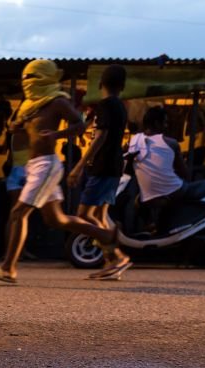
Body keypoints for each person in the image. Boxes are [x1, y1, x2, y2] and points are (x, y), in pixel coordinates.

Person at [0, 59, 123, 285]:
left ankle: (8, 268)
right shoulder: (31, 104)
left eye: (32, 77)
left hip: (47, 165)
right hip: (34, 166)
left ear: (45, 78)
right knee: (57, 220)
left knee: (19, 213)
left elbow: (80, 124)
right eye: (25, 78)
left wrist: (57, 136)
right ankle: (107, 237)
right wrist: (17, 127)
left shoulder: (57, 101)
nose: (27, 82)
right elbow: (25, 132)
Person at [67, 65, 132, 279]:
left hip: (103, 166)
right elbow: (83, 128)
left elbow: (100, 137)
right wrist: (56, 134)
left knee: (84, 215)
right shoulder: (118, 106)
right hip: (113, 166)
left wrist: (78, 166)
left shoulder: (105, 105)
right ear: (122, 86)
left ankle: (117, 257)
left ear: (99, 84)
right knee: (100, 216)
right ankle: (111, 264)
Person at [126, 106, 187, 235]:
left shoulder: (133, 141)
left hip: (148, 198)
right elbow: (184, 172)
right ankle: (162, 227)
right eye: (164, 122)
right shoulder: (172, 143)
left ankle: (151, 224)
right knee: (183, 189)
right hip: (174, 191)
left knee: (138, 202)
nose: (166, 126)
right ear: (156, 123)